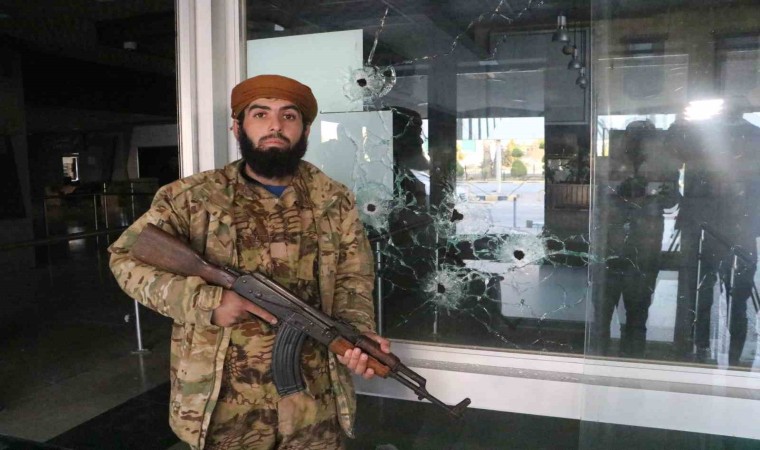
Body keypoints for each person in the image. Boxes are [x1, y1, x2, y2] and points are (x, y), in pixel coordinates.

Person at [109, 74, 390, 450]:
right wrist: (208, 302)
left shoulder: (334, 201)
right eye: (260, 114)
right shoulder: (191, 197)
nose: (275, 125)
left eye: (289, 116)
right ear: (237, 127)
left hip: (315, 403)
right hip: (224, 407)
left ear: (305, 130)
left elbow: (354, 278)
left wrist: (357, 335)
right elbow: (126, 259)